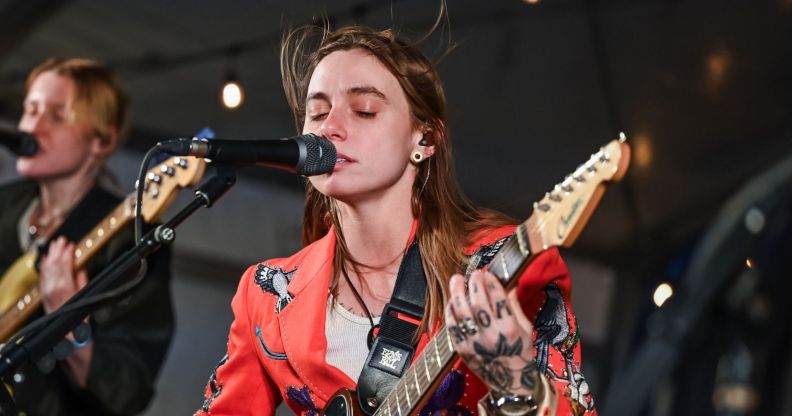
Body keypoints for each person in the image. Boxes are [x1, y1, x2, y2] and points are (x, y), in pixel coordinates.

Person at [198, 24, 596, 415]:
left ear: (424, 139)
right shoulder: (266, 293)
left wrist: (516, 381)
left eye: (364, 110)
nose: (330, 128)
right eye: (317, 112)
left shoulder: (502, 263)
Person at [0, 57, 174, 415]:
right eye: (30, 110)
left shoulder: (132, 241)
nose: (32, 126)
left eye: (57, 116)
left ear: (102, 140)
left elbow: (129, 388)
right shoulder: (4, 205)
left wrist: (71, 323)